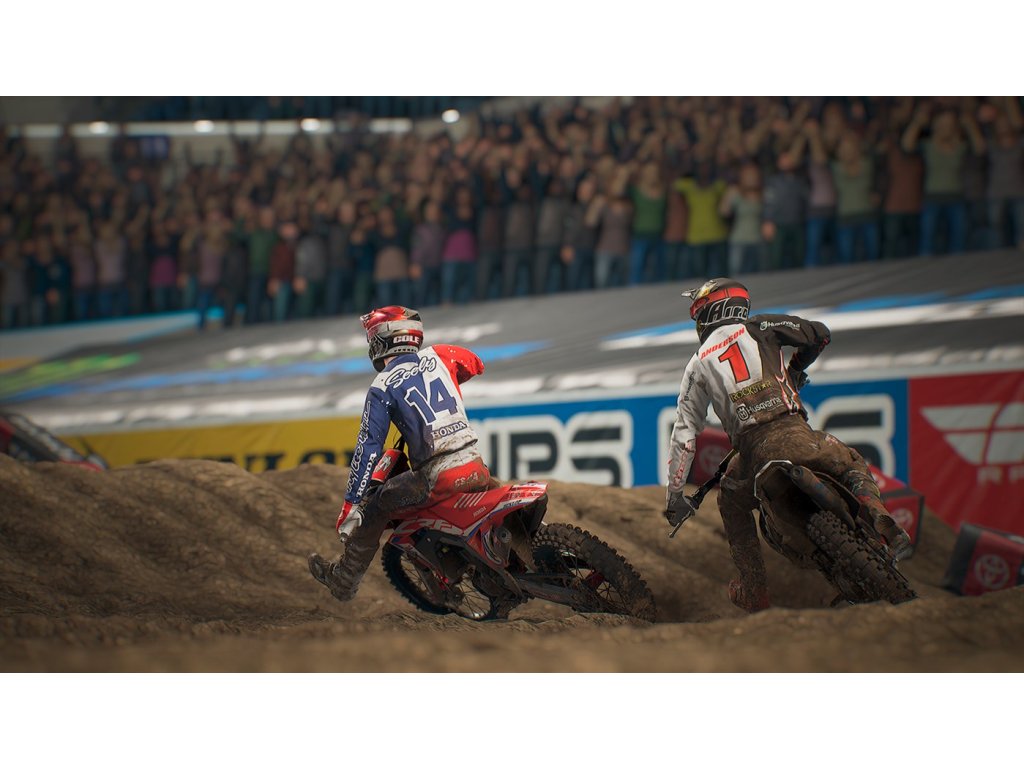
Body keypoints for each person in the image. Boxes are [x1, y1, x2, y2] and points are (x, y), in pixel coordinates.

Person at [664, 277, 911, 613]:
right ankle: (881, 517)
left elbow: (683, 435)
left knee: (730, 503)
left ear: (710, 311)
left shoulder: (697, 365)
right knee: (850, 460)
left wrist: (675, 498)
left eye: (698, 314)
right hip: (796, 433)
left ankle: (754, 589)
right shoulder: (761, 327)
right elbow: (820, 334)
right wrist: (794, 369)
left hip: (752, 453)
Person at [308, 306, 493, 602]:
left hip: (436, 476)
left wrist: (351, 504)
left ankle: (343, 580)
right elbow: (476, 364)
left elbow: (368, 448)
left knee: (377, 506)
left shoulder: (381, 387)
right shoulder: (442, 355)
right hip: (474, 464)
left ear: (382, 340)